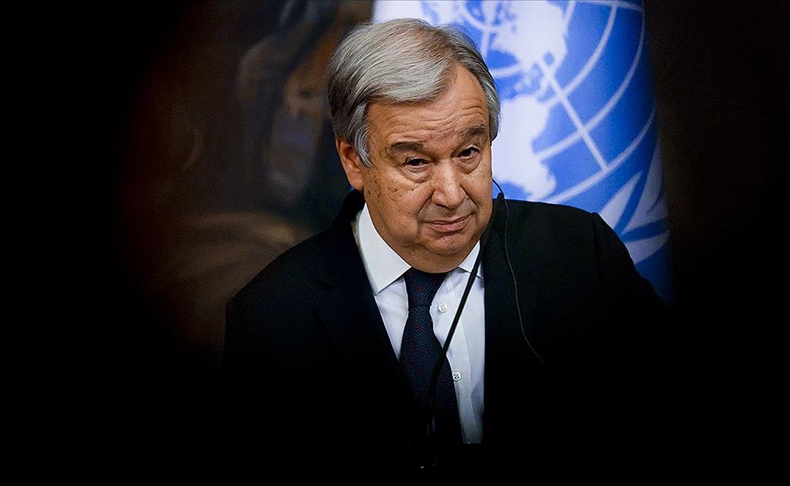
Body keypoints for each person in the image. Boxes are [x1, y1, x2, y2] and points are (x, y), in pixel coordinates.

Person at [219, 17, 675, 476]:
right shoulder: (272, 317)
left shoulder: (579, 255)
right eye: (416, 162)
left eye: (468, 153)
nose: (453, 194)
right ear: (354, 161)